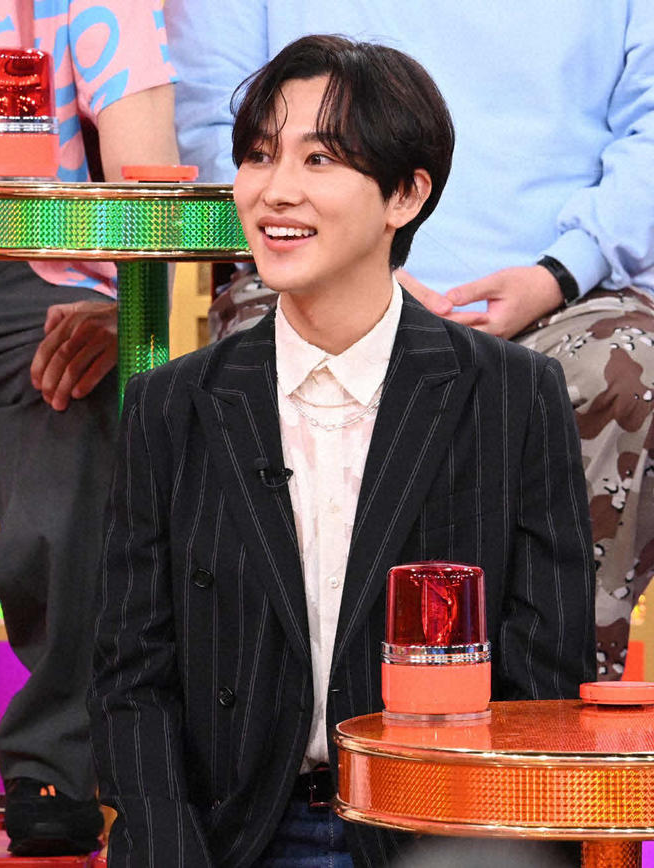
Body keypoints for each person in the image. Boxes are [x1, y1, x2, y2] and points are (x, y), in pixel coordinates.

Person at [89, 35, 595, 867]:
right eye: (259, 155)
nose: (274, 190)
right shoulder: (170, 406)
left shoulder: (512, 396)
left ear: (405, 194)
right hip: (231, 838)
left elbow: (544, 683)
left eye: (318, 159)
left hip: (439, 834)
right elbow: (130, 678)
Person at [162, 0, 654, 677]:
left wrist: (561, 269)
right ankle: (292, 698)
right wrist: (362, 274)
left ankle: (551, 695)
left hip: (564, 291)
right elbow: (214, 123)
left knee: (632, 372)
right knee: (258, 368)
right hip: (318, 267)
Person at [0, 0, 176, 855]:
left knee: (74, 390)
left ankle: (53, 763)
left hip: (28, 276)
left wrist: (123, 306)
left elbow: (149, 177)